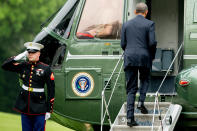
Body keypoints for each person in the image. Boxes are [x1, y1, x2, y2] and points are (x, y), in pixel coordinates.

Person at [2, 42, 55, 131]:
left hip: (39, 106)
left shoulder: (45, 68)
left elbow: (51, 90)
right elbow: (5, 66)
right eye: (28, 52)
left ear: (38, 53)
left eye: (33, 52)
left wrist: (49, 110)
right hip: (25, 105)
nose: (30, 54)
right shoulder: (23, 66)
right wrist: (16, 58)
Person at [120, 2, 157, 127]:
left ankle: (130, 119)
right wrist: (151, 56)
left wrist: (130, 51)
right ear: (146, 13)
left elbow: (123, 44)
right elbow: (152, 43)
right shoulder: (149, 24)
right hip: (144, 57)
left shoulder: (126, 24)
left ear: (135, 12)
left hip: (129, 57)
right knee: (145, 79)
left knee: (131, 89)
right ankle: (141, 102)